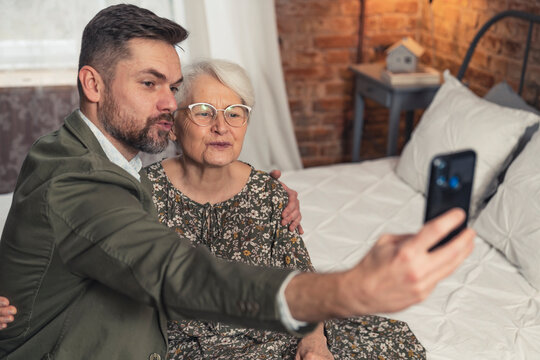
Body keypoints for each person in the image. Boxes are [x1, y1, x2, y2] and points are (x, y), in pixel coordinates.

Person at [0, 4, 475, 359]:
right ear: (94, 84)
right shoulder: (85, 180)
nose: (168, 102)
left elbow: (47, 242)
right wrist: (350, 289)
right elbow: (175, 272)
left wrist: (263, 190)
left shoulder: (83, 155)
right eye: (149, 84)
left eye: (171, 86)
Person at [144, 58, 426, 359]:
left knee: (393, 343)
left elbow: (301, 277)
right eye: (204, 112)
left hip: (274, 332)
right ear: (173, 126)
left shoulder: (268, 193)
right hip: (187, 346)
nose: (221, 127)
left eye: (234, 114)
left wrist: (315, 342)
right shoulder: (143, 193)